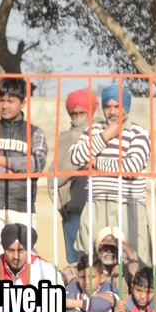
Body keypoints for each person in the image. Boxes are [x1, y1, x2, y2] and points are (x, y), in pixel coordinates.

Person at [71, 84, 153, 265]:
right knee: (94, 261)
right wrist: (105, 136)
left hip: (130, 205)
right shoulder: (93, 131)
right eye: (108, 106)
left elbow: (131, 168)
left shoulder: (139, 133)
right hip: (96, 204)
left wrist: (95, 162)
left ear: (126, 107)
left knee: (135, 261)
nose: (112, 111)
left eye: (117, 106)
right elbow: (75, 157)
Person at [0, 78, 47, 262]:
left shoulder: (35, 133)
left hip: (23, 206)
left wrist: (1, 160)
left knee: (25, 264)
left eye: (10, 101)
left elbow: (37, 163)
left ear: (23, 103)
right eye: (1, 100)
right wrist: (15, 173)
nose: (4, 105)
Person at [48, 88, 96, 263]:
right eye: (74, 114)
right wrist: (61, 203)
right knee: (78, 262)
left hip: (101, 203)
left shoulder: (105, 133)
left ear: (92, 112)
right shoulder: (66, 137)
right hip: (74, 205)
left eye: (82, 113)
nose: (78, 118)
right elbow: (55, 175)